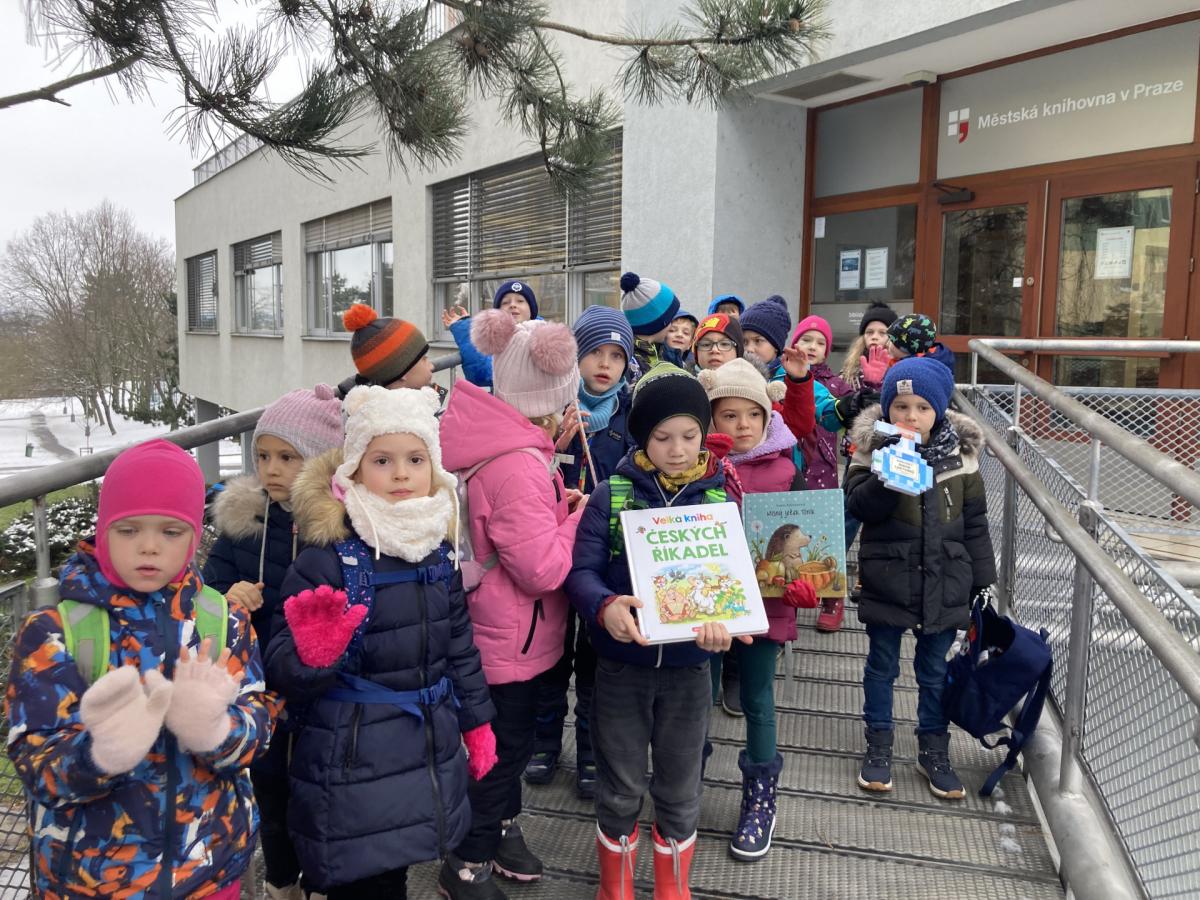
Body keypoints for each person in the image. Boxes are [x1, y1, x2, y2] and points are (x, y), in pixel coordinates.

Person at [6, 439, 274, 899]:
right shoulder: (54, 633)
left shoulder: (222, 621)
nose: (149, 546)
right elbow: (36, 762)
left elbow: (259, 728)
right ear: (103, 530)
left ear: (194, 536)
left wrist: (215, 729)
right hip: (92, 884)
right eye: (129, 530)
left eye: (171, 531)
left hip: (210, 875)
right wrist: (100, 754)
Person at [265, 385, 497, 900]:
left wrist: (477, 723)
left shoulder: (436, 550)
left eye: (415, 459)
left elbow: (459, 647)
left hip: (423, 747)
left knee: (397, 866)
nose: (400, 474)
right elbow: (279, 664)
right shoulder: (329, 557)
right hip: (352, 760)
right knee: (366, 879)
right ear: (353, 471)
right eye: (382, 460)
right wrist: (313, 655)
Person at [565, 362, 751, 900]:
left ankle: (674, 888)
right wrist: (604, 607)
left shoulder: (718, 501)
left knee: (681, 784)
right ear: (642, 436)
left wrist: (728, 623)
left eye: (689, 435)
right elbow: (581, 572)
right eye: (663, 436)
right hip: (623, 666)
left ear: (703, 434)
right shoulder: (613, 495)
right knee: (620, 783)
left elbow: (734, 583)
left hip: (690, 669)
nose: (677, 449)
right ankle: (615, 888)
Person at [439, 309, 587, 899]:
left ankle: (501, 827)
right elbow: (541, 568)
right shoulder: (518, 465)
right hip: (510, 641)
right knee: (499, 755)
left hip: (498, 629)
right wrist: (576, 522)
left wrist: (555, 508)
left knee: (507, 747)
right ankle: (467, 862)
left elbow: (509, 529)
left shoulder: (505, 443)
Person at [203, 384, 343, 900]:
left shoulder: (340, 527)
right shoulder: (244, 524)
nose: (271, 470)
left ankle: (322, 879)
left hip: (326, 685)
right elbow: (205, 595)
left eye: (288, 457)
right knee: (270, 786)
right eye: (263, 456)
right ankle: (281, 879)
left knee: (323, 790)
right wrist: (226, 597)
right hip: (260, 683)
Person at [844, 357, 996, 801]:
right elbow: (858, 507)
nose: (911, 416)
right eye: (901, 406)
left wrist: (982, 581)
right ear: (888, 408)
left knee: (934, 671)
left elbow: (975, 523)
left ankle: (933, 750)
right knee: (882, 666)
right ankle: (879, 743)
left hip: (946, 578)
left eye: (922, 408)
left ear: (940, 410)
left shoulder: (961, 457)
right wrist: (889, 473)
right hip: (888, 574)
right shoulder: (871, 449)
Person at [698, 359, 814, 861]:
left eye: (753, 414)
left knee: (758, 699)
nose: (743, 425)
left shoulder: (787, 470)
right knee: (696, 695)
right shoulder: (698, 466)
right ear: (712, 418)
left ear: (769, 416)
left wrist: (807, 585)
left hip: (767, 606)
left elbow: (810, 542)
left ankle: (761, 795)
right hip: (706, 605)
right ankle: (686, 778)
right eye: (729, 414)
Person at [526, 306, 636, 797]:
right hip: (553, 548)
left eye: (616, 355)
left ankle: (591, 750)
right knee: (551, 653)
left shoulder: (632, 416)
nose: (604, 364)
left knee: (595, 659)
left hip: (602, 557)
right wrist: (552, 443)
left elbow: (638, 481)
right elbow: (526, 475)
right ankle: (544, 741)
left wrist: (603, 501)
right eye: (594, 352)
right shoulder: (550, 408)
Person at [839, 303, 895, 555]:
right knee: (848, 511)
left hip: (889, 449)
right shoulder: (851, 372)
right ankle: (835, 560)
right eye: (869, 331)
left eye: (882, 332)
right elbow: (845, 409)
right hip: (858, 451)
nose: (875, 337)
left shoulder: (899, 368)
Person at [442, 280, 540, 388]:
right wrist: (467, 329)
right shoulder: (496, 338)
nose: (512, 305)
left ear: (532, 309)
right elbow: (481, 374)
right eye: (505, 302)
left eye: (520, 301)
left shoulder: (544, 338)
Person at [336, 304, 438, 399]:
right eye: (424, 359)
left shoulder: (418, 402)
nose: (432, 366)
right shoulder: (405, 411)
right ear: (401, 371)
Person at [619, 271, 684, 381]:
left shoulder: (665, 352)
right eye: (670, 319)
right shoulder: (629, 362)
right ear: (659, 323)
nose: (671, 325)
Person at [739, 295, 792, 382]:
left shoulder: (794, 381)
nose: (749, 349)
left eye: (758, 341)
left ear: (776, 346)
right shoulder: (732, 374)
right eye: (744, 342)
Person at [887, 312, 957, 372]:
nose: (887, 344)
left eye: (891, 340)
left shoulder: (911, 371)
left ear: (904, 348)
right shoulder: (936, 360)